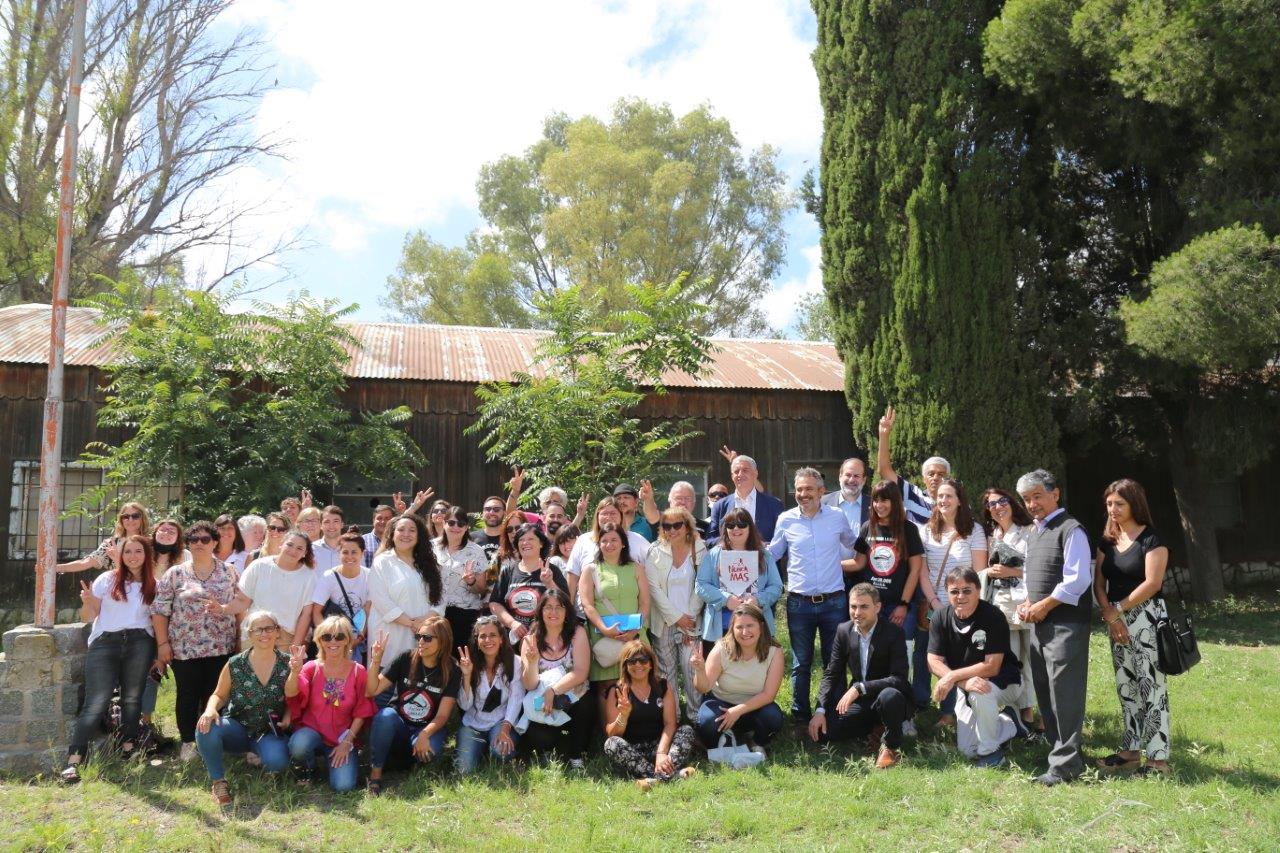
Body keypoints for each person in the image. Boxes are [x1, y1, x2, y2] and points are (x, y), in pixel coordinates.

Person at [60, 534, 159, 783]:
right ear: (121, 556)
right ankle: (74, 759)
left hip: (140, 642)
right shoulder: (107, 579)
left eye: (138, 551)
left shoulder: (153, 584)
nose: (133, 556)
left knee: (132, 697)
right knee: (95, 701)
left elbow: (156, 620)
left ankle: (129, 747)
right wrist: (87, 601)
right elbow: (89, 615)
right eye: (128, 552)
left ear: (146, 555)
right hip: (106, 642)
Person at [1016, 469, 1093, 786]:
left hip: (1065, 625)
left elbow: (1077, 580)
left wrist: (1044, 605)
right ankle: (1060, 753)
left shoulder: (1071, 529)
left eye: (1037, 496)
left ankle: (1065, 766)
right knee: (1046, 693)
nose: (1032, 504)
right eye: (1026, 499)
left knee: (1065, 693)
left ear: (1055, 494)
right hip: (1039, 623)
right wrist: (1026, 602)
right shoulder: (1034, 532)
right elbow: (1029, 576)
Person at [766, 468, 858, 725]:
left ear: (821, 491)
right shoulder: (785, 519)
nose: (803, 494)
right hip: (799, 603)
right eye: (799, 489)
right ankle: (800, 717)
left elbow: (855, 544)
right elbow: (773, 554)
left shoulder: (837, 517)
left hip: (834, 602)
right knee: (801, 663)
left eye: (809, 489)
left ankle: (831, 714)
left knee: (834, 661)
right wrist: (743, 552)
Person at [1093, 478, 1171, 776]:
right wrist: (1110, 615)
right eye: (1109, 504)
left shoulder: (1152, 539)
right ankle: (1130, 752)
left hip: (1146, 616)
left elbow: (1153, 583)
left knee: (1152, 686)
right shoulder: (1107, 541)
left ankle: (1158, 760)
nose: (1113, 509)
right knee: (1126, 685)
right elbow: (1099, 582)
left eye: (1119, 504)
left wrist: (1118, 610)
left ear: (1134, 504)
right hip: (1115, 617)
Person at [152, 520, 247, 763]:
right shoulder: (175, 573)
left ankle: (212, 741)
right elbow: (160, 611)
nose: (199, 544)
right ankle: (187, 742)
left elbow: (239, 608)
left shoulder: (229, 572)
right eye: (193, 540)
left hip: (221, 646)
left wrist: (238, 640)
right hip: (185, 648)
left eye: (205, 539)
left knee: (216, 695)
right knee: (187, 695)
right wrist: (163, 645)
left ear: (215, 542)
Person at [841, 480, 924, 733]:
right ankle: (874, 708)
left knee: (903, 660)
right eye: (876, 500)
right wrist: (822, 565)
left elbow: (915, 569)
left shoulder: (908, 530)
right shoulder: (868, 527)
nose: (879, 505)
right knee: (873, 656)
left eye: (884, 499)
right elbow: (858, 563)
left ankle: (905, 714)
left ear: (895, 502)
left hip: (898, 607)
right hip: (871, 607)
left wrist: (904, 604)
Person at [928, 568, 1027, 767]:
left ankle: (990, 753)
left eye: (967, 590)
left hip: (1005, 681)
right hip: (966, 685)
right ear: (947, 592)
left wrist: (951, 677)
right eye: (954, 591)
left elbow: (992, 666)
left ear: (978, 590)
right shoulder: (940, 617)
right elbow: (933, 660)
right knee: (967, 750)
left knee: (981, 693)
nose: (960, 596)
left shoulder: (993, 616)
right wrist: (961, 681)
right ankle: (1009, 722)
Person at [808, 583, 913, 769]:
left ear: (877, 607)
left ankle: (891, 745)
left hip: (889, 697)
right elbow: (832, 673)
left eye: (864, 607)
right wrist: (820, 710)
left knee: (890, 696)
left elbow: (899, 679)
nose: (857, 612)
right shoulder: (844, 631)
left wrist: (860, 687)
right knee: (825, 733)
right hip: (862, 701)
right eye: (853, 606)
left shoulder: (894, 632)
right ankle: (875, 728)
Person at [193, 610, 292, 806]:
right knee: (206, 726)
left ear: (277, 631)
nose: (264, 634)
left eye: (269, 628)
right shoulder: (235, 664)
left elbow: (294, 699)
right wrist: (210, 709)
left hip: (269, 731)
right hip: (237, 727)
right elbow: (219, 695)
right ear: (249, 634)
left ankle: (257, 753)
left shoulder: (289, 663)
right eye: (258, 629)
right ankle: (218, 781)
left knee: (278, 763)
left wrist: (288, 716)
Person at [917, 478, 988, 726]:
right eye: (940, 497)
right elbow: (922, 572)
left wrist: (965, 605)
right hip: (934, 604)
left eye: (949, 496)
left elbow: (979, 573)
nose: (944, 501)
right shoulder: (925, 531)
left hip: (964, 604)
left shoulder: (974, 531)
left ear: (959, 500)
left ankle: (957, 711)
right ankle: (931, 708)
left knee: (960, 657)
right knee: (932, 655)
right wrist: (935, 601)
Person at [365, 615, 458, 794]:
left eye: (427, 638)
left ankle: (409, 763)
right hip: (399, 725)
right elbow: (372, 691)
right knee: (385, 716)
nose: (421, 642)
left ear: (443, 640)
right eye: (419, 637)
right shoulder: (406, 658)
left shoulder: (452, 670)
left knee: (432, 751)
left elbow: (443, 716)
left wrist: (424, 734)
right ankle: (375, 774)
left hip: (425, 727)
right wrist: (376, 661)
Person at [285, 614, 376, 791]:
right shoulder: (312, 667)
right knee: (299, 744)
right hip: (313, 733)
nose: (332, 641)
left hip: (342, 738)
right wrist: (295, 672)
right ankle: (309, 767)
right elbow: (291, 692)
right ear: (319, 640)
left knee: (343, 787)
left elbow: (362, 711)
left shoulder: (358, 671)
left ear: (348, 640)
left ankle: (333, 762)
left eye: (339, 636)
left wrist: (347, 742)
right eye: (326, 637)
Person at [689, 603, 785, 754]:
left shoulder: (774, 651)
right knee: (707, 722)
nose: (745, 632)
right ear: (732, 628)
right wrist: (700, 670)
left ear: (761, 626)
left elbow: (768, 695)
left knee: (773, 718)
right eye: (739, 627)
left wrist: (738, 710)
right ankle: (726, 738)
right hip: (721, 704)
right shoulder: (721, 648)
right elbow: (703, 688)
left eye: (750, 626)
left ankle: (756, 741)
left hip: (755, 706)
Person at [979, 487, 1038, 729]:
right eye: (991, 504)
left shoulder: (1029, 531)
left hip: (1028, 602)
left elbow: (1040, 568)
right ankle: (1019, 714)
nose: (997, 507)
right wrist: (990, 573)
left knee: (1032, 658)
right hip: (1001, 605)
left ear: (1012, 503)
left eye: (1002, 501)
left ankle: (1036, 712)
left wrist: (1011, 571)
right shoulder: (992, 536)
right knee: (1011, 658)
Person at [604, 640, 699, 789]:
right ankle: (671, 776)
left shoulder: (662, 685)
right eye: (632, 661)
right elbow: (612, 734)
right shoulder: (616, 691)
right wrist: (623, 715)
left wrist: (661, 753)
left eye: (643, 660)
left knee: (686, 731)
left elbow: (670, 723)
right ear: (625, 665)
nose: (638, 665)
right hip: (634, 751)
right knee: (611, 744)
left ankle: (654, 780)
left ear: (651, 663)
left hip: (660, 746)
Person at [517, 589, 592, 770]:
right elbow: (529, 684)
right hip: (542, 702)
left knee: (586, 706)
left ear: (567, 612)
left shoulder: (577, 633)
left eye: (559, 607)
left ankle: (576, 755)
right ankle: (551, 749)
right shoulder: (530, 640)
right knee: (540, 736)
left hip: (573, 695)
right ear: (540, 611)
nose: (553, 612)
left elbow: (581, 672)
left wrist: (553, 690)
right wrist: (533, 663)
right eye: (548, 607)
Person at [645, 507, 707, 718]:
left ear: (687, 525)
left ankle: (696, 718)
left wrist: (688, 617)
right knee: (666, 673)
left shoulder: (700, 548)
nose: (672, 530)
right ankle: (673, 718)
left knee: (692, 670)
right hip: (663, 623)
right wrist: (676, 618)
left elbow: (703, 584)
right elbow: (654, 589)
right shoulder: (655, 551)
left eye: (677, 525)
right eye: (667, 526)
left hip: (692, 621)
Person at [695, 508, 784, 653]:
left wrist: (758, 600)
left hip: (755, 628)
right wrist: (726, 599)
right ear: (725, 529)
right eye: (730, 525)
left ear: (750, 527)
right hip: (720, 628)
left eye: (742, 524)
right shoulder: (713, 555)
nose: (736, 528)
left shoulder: (764, 555)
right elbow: (700, 585)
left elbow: (776, 586)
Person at [580, 524, 650, 699]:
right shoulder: (590, 570)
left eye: (614, 540)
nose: (609, 544)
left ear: (623, 543)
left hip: (635, 634)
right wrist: (604, 629)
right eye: (604, 540)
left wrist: (635, 629)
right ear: (599, 544)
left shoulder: (636, 568)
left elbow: (645, 602)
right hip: (604, 636)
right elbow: (587, 604)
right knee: (608, 688)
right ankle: (608, 726)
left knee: (639, 682)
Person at [368, 513, 445, 666]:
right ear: (392, 534)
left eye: (412, 530)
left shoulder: (430, 563)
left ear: (419, 535)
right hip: (389, 638)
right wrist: (412, 624)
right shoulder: (382, 562)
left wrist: (424, 621)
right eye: (401, 530)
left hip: (424, 637)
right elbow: (380, 599)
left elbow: (441, 598)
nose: (406, 534)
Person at [455, 615, 524, 775]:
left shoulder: (514, 662)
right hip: (473, 723)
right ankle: (479, 747)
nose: (488, 640)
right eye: (482, 636)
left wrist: (505, 730)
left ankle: (491, 746)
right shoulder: (468, 663)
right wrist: (466, 675)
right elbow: (465, 706)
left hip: (501, 721)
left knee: (501, 754)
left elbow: (516, 698)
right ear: (477, 641)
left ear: (501, 639)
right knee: (464, 770)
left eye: (493, 635)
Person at [235, 531, 317, 650]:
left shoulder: (309, 576)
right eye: (289, 545)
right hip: (256, 633)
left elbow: (306, 615)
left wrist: (295, 645)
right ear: (281, 544)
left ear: (305, 553)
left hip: (285, 639)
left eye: (299, 548)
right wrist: (222, 609)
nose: (293, 550)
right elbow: (242, 601)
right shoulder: (258, 565)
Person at [489, 523, 570, 643]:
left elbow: (567, 603)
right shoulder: (508, 571)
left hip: (546, 640)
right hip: (513, 642)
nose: (525, 543)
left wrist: (549, 583)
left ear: (541, 543)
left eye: (531, 539)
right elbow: (495, 603)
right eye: (521, 540)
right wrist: (512, 623)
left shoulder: (552, 570)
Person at [564, 498, 651, 603]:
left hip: (630, 614)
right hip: (586, 614)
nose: (608, 517)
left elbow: (651, 571)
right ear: (597, 516)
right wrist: (569, 608)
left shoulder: (637, 540)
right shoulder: (584, 541)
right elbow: (573, 576)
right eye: (604, 513)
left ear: (621, 516)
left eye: (613, 513)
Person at [876, 405, 951, 525]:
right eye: (931, 474)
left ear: (948, 478)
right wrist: (884, 435)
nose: (936, 477)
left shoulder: (958, 502)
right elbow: (884, 470)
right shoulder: (912, 494)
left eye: (941, 474)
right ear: (923, 478)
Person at [434, 505, 491, 653]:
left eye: (460, 524)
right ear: (444, 524)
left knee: (461, 658)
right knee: (435, 657)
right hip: (435, 612)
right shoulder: (430, 547)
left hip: (464, 615)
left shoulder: (476, 552)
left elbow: (481, 589)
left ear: (466, 527)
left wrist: (471, 581)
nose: (455, 527)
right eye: (451, 523)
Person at [310, 528, 371, 662]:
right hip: (333, 636)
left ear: (362, 553)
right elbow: (316, 612)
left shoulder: (370, 576)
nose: (349, 556)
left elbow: (368, 610)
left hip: (360, 639)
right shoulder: (329, 577)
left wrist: (358, 638)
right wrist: (328, 637)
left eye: (354, 552)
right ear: (339, 553)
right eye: (345, 552)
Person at [707, 456, 784, 545]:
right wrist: (728, 543)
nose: (740, 474)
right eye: (736, 472)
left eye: (745, 470)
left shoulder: (774, 505)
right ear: (732, 476)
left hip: (763, 557)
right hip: (728, 557)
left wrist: (763, 547)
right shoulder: (720, 506)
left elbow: (782, 540)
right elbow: (710, 539)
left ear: (755, 474)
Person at [56, 501, 151, 574]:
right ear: (121, 520)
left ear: (142, 519)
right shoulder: (111, 544)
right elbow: (86, 562)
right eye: (126, 516)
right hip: (119, 592)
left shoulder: (151, 543)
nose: (130, 520)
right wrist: (56, 568)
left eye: (135, 516)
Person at [822, 458, 872, 591]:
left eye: (857, 476)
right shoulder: (822, 504)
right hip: (829, 578)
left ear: (864, 480)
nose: (852, 480)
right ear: (840, 476)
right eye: (848, 475)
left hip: (865, 579)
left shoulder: (875, 507)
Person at [471, 496, 508, 564]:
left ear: (504, 513)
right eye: (487, 509)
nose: (491, 512)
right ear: (483, 512)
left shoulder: (509, 538)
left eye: (496, 509)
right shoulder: (470, 538)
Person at [311, 505, 346, 572]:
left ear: (342, 524)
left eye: (335, 521)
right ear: (321, 525)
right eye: (327, 522)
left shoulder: (352, 549)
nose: (331, 526)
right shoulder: (311, 549)